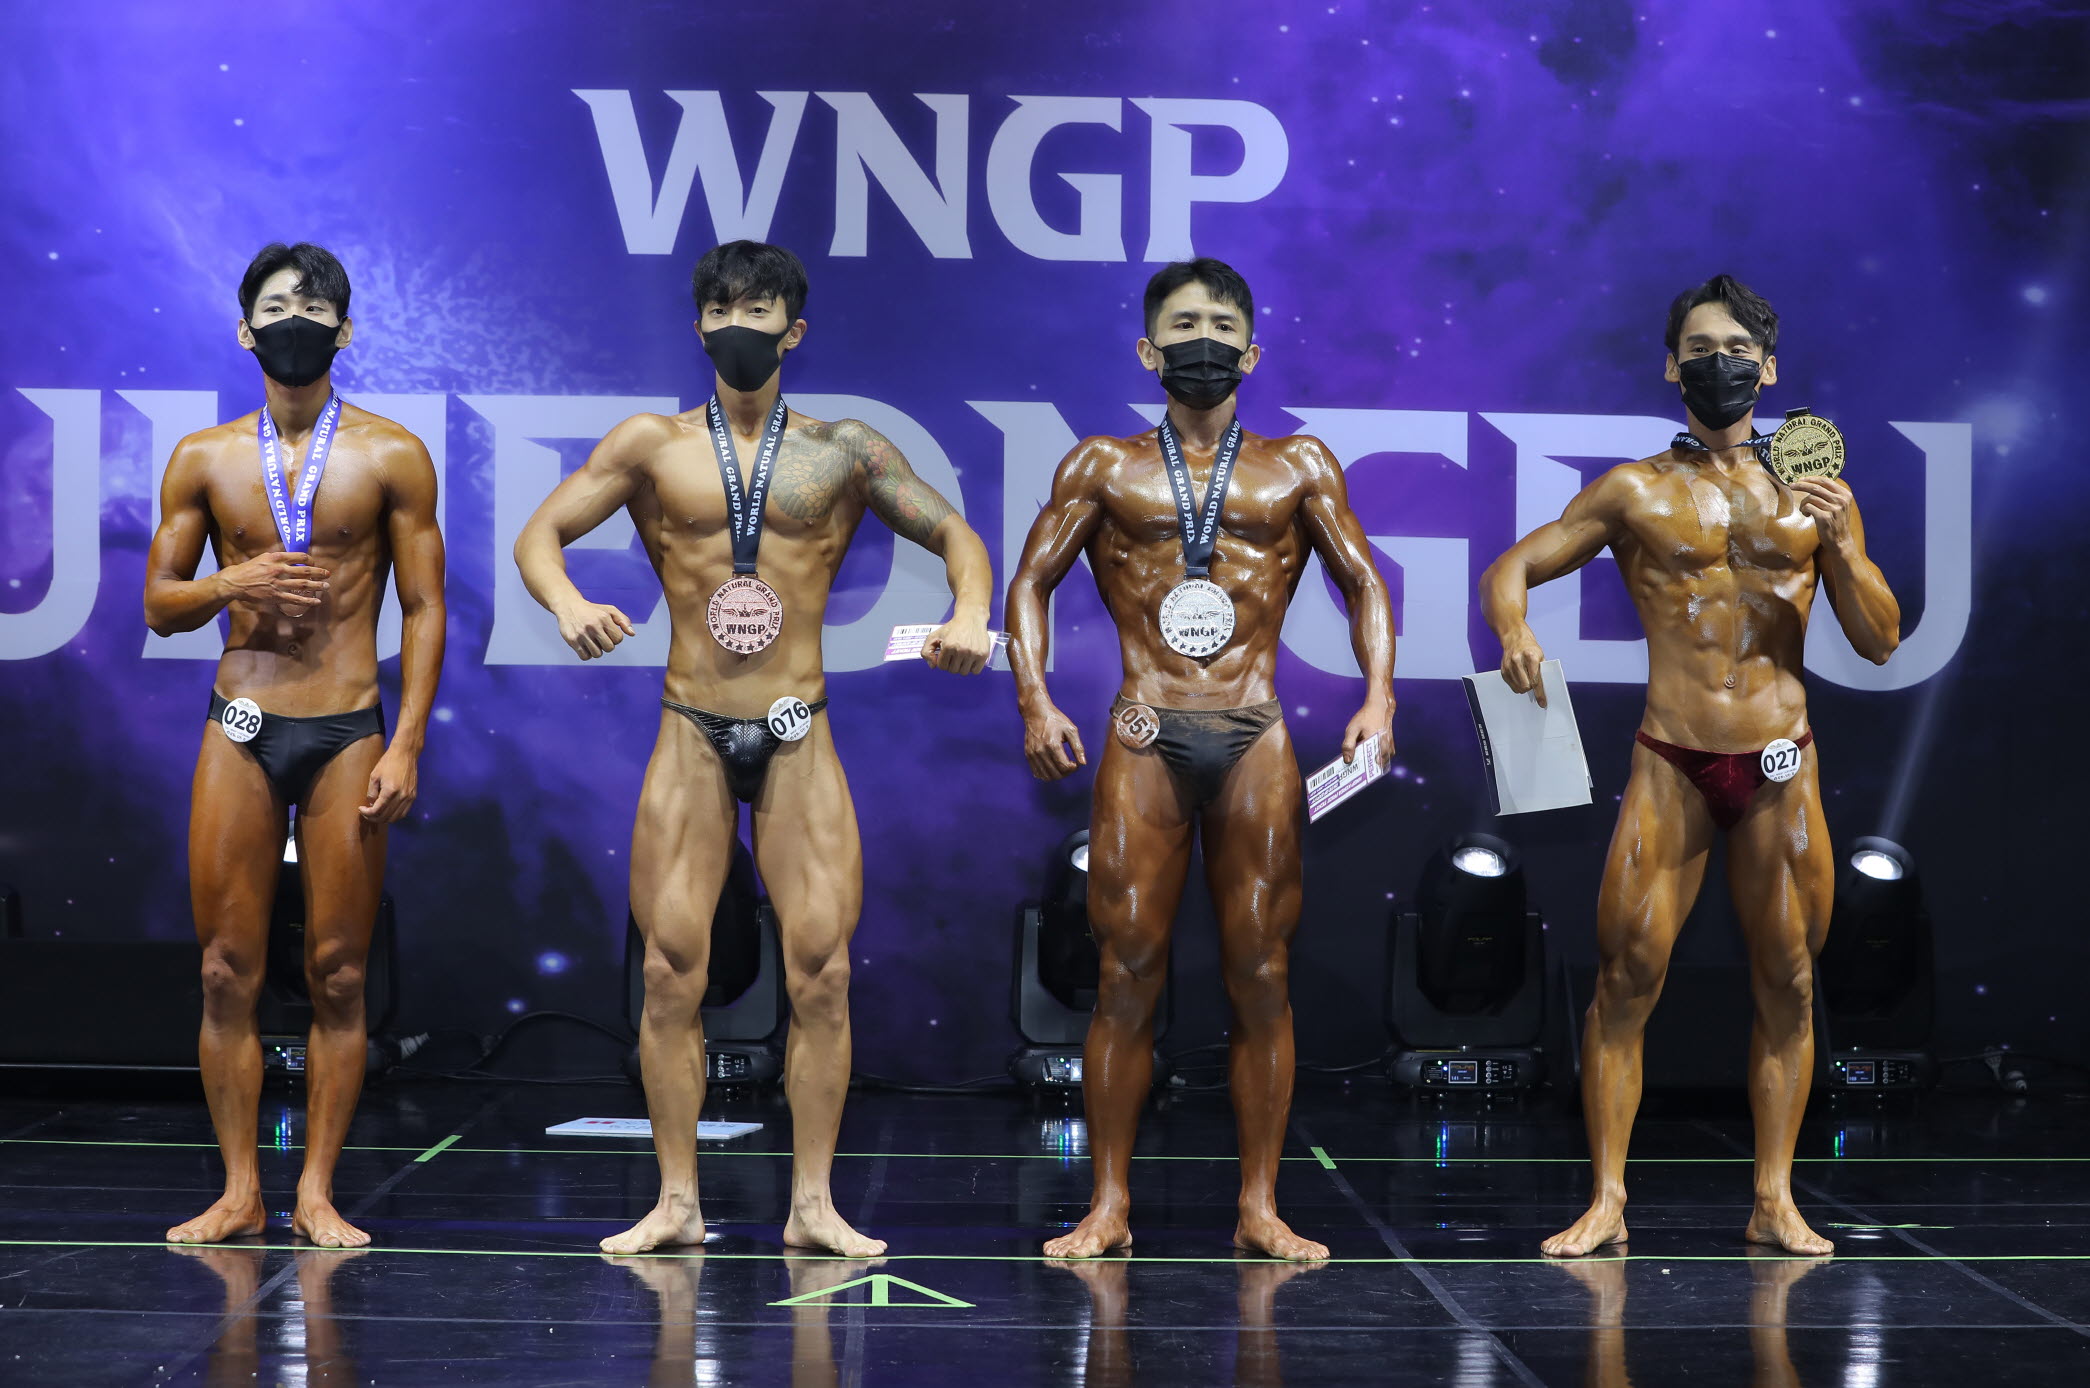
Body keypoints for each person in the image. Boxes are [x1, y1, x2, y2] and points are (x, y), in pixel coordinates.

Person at [514, 240, 994, 1257]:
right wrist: (566, 603)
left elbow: (955, 534)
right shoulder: (649, 445)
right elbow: (538, 535)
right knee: (667, 972)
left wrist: (968, 612)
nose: (740, 323)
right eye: (722, 307)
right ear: (699, 324)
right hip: (690, 724)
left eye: (759, 308)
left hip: (795, 728)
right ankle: (676, 1201)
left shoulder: (843, 450)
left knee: (822, 972)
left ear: (794, 329)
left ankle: (812, 1205)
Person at [1481, 274, 1901, 1257]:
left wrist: (1842, 545)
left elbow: (1880, 640)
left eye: (1737, 350)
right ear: (1672, 366)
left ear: (1769, 369)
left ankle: (1773, 1199)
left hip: (1780, 761)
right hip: (1672, 758)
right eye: (1700, 349)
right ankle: (1607, 1200)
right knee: (1625, 974)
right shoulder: (1636, 489)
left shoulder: (1814, 495)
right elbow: (1513, 566)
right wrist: (1512, 628)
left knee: (1789, 979)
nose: (1720, 364)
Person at [1006, 258, 1396, 1260]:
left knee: (1261, 972)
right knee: (1125, 971)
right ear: (1148, 349)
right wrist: (1035, 698)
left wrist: (1378, 696)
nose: (1204, 340)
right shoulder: (1102, 465)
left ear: (1252, 351)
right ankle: (1107, 1205)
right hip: (1146, 727)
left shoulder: (1298, 464)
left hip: (1253, 728)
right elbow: (1030, 582)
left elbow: (1363, 582)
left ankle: (1259, 1207)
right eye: (1183, 324)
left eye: (1222, 325)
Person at [146, 242, 446, 1248]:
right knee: (225, 968)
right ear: (245, 330)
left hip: (348, 725)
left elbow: (426, 606)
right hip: (241, 719)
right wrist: (234, 581)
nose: (295, 321)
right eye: (276, 306)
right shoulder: (202, 457)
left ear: (344, 330)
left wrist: (406, 743)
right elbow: (159, 605)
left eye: (314, 308)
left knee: (340, 972)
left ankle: (316, 1191)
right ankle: (240, 1190)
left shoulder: (392, 454)